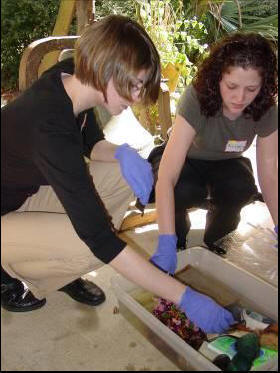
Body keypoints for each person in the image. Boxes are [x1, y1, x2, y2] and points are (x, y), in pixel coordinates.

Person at [1, 15, 234, 334]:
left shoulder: (71, 77)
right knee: (92, 245)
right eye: (135, 84)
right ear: (106, 69)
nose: (138, 97)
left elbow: (93, 144)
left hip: (22, 192)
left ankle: (62, 267)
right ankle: (12, 271)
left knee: (124, 174)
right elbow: (98, 238)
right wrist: (184, 297)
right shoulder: (48, 124)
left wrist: (123, 153)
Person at [150, 32, 278, 275]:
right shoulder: (197, 97)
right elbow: (167, 176)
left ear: (263, 87)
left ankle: (216, 241)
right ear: (218, 77)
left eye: (251, 89)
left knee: (242, 188)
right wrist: (165, 237)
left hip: (228, 163)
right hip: (188, 159)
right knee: (178, 190)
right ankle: (177, 237)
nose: (240, 98)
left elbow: (270, 174)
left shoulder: (267, 109)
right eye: (231, 86)